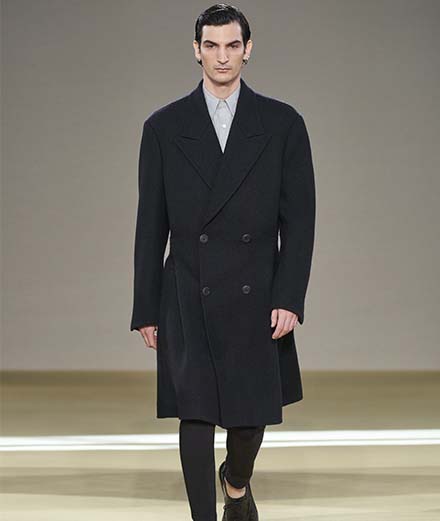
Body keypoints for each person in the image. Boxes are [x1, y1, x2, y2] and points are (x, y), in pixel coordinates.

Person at [130, 4, 316, 520]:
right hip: (187, 287)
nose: (222, 56)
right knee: (194, 414)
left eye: (232, 45)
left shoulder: (282, 124)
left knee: (250, 418)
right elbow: (151, 224)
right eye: (211, 46)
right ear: (196, 50)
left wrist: (289, 296)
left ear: (248, 49)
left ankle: (235, 482)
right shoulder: (164, 127)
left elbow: (300, 220)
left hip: (257, 290)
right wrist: (146, 306)